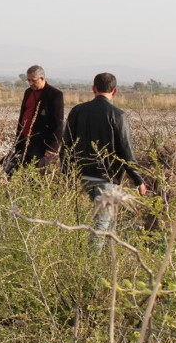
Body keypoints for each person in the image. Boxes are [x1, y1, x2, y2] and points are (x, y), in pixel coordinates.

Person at [61, 72, 147, 251]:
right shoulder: (117, 115)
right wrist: (138, 180)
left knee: (102, 224)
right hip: (107, 179)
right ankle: (91, 269)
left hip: (83, 176)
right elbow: (126, 151)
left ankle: (106, 268)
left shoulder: (77, 111)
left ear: (93, 88)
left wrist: (66, 175)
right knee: (101, 226)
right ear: (114, 91)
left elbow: (66, 145)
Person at [3, 65, 63, 175]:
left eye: (33, 80)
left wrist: (52, 146)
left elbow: (58, 123)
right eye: (28, 80)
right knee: (12, 169)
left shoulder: (54, 94)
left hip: (41, 142)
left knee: (35, 174)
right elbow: (23, 115)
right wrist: (18, 138)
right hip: (24, 139)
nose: (30, 83)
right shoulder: (28, 92)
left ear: (42, 78)